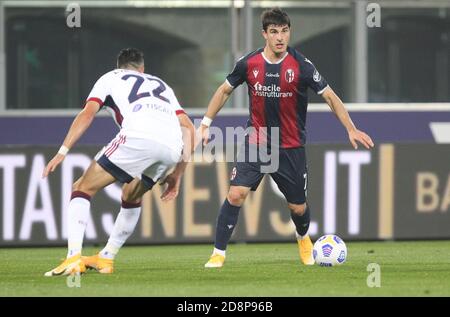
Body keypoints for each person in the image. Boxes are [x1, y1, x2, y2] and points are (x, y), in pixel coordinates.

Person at [197, 8, 374, 268]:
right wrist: (205, 124)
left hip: (290, 146)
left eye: (284, 31)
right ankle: (218, 253)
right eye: (274, 32)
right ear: (264, 34)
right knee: (236, 194)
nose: (280, 37)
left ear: (289, 32)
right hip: (257, 141)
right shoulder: (249, 63)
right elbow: (224, 91)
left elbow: (329, 96)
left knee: (298, 208)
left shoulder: (301, 66)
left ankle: (303, 238)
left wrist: (350, 128)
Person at [43, 48, 195, 276]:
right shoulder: (161, 84)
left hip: (138, 136)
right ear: (142, 69)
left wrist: (63, 151)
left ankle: (73, 258)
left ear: (119, 66)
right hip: (172, 146)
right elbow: (189, 129)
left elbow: (87, 113)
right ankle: (106, 258)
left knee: (82, 187)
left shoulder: (110, 77)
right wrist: (177, 175)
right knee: (130, 194)